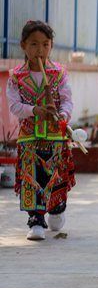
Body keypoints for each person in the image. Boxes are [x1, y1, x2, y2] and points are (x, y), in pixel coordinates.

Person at [6, 21, 75, 241]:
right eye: (34, 45)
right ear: (23, 46)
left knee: (54, 175)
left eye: (45, 45)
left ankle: (56, 209)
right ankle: (35, 220)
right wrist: (35, 110)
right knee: (31, 176)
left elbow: (67, 101)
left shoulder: (59, 73)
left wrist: (62, 116)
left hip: (55, 136)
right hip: (29, 137)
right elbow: (14, 106)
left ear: (51, 46)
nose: (40, 50)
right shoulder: (16, 76)